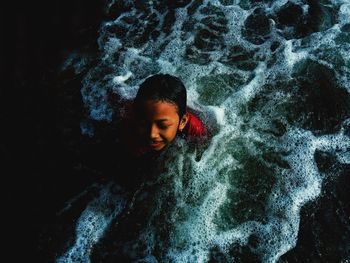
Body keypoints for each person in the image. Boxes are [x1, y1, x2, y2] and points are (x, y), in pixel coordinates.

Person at [118, 73, 208, 159]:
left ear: (183, 122)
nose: (152, 134)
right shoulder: (128, 122)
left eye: (162, 125)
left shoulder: (196, 130)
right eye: (144, 123)